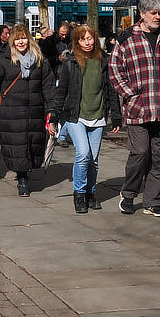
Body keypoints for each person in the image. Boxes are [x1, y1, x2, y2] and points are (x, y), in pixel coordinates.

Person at [109, 0, 160, 217]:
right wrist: (129, 94)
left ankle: (153, 201)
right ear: (142, 14)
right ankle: (129, 194)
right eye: (153, 13)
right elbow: (114, 71)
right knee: (139, 153)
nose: (158, 17)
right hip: (137, 109)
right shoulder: (126, 38)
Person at [49, 23, 120, 212]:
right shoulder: (70, 63)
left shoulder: (104, 60)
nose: (87, 42)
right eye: (83, 39)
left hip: (98, 116)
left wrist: (117, 116)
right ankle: (79, 194)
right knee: (83, 155)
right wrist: (53, 116)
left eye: (90, 38)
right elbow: (60, 92)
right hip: (76, 116)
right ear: (77, 41)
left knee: (93, 160)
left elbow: (111, 90)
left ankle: (90, 193)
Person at [0, 24, 55, 197]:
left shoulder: (40, 60)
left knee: (32, 143)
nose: (21, 42)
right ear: (11, 41)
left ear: (29, 39)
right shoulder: (3, 60)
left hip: (35, 111)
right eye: (17, 39)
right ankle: (22, 179)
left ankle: (26, 171)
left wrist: (52, 110)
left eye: (23, 38)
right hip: (12, 111)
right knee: (18, 145)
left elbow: (49, 87)